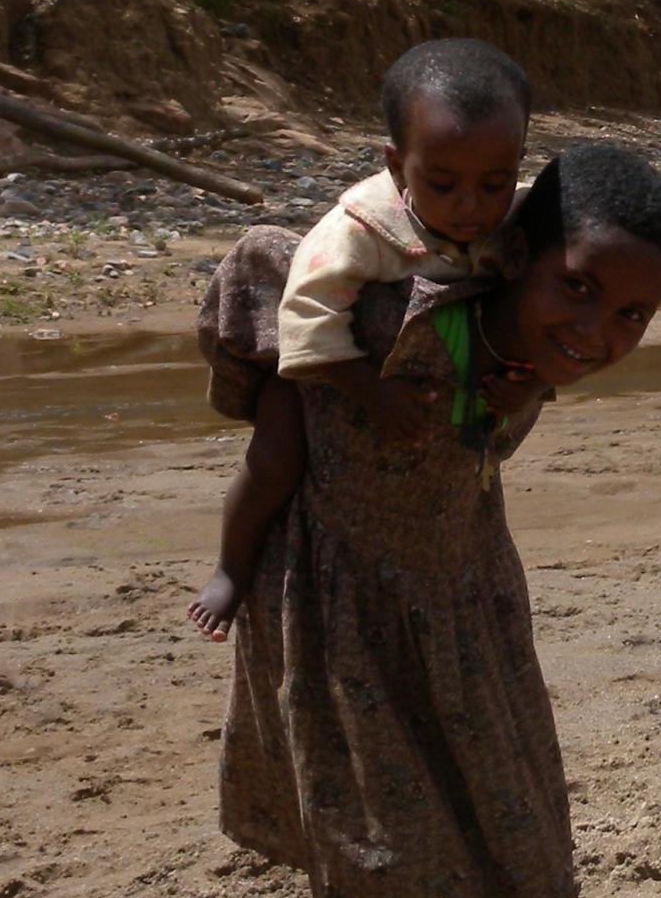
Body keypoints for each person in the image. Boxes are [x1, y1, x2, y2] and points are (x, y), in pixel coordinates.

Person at [201, 140, 661, 898]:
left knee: (521, 822)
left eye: (630, 313)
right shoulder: (385, 323)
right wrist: (238, 567)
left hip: (471, 608)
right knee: (383, 838)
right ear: (514, 257)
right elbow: (282, 386)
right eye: (580, 289)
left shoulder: (529, 355)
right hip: (347, 613)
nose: (597, 329)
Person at [187, 39, 537, 641]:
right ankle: (229, 568)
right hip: (316, 368)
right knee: (275, 462)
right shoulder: (360, 226)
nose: (470, 206)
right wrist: (370, 393)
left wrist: (520, 380)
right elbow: (303, 314)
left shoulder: (510, 219)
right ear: (397, 166)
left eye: (494, 184)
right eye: (445, 185)